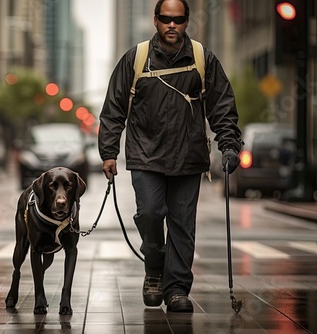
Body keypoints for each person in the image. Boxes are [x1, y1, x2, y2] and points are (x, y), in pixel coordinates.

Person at [98, 0, 243, 312]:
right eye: (166, 19)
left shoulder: (203, 58)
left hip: (188, 156)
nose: (172, 25)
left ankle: (176, 289)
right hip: (144, 155)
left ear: (187, 21)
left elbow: (222, 106)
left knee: (182, 224)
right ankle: (154, 269)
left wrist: (229, 145)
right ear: (155, 20)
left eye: (178, 19)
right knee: (150, 213)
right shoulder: (135, 59)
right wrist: (108, 152)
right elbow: (113, 109)